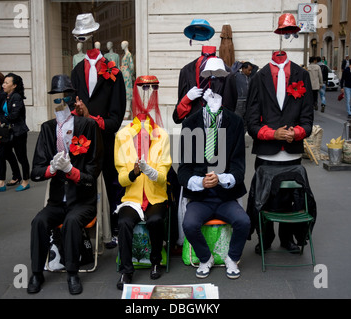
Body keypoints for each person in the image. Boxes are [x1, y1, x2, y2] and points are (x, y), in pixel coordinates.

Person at [28, 74, 103, 295]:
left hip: (81, 200)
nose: (59, 102)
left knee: (71, 221)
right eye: (55, 97)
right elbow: (36, 170)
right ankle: (36, 273)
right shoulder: (47, 128)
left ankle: (72, 273)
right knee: (39, 222)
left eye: (64, 97)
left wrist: (72, 171)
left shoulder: (88, 126)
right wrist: (52, 168)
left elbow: (95, 167)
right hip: (57, 201)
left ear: (72, 98)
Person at [178, 58, 251, 280]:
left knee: (244, 222)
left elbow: (239, 169)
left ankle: (232, 257)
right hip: (200, 198)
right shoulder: (190, 124)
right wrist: (200, 182)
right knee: (189, 224)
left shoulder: (236, 123)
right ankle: (205, 257)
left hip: (226, 197)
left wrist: (221, 178)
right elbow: (183, 170)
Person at [245, 45, 314, 255]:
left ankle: (288, 238)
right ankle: (264, 238)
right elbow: (251, 122)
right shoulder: (258, 77)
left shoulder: (302, 75)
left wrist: (297, 133)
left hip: (292, 152)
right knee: (264, 197)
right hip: (267, 152)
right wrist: (273, 134)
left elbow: (308, 120)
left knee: (292, 198)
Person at [70, 14, 126, 247]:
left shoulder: (114, 73)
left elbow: (116, 117)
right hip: (82, 141)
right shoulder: (76, 72)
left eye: (86, 36)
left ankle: (113, 227)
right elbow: (73, 106)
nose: (83, 40)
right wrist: (77, 114)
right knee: (83, 183)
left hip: (106, 140)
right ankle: (86, 227)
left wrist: (91, 118)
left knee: (113, 183)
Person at [114, 75, 172, 289]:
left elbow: (164, 173)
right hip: (132, 197)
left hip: (156, 194)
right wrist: (134, 173)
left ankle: (156, 261)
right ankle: (126, 271)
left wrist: (152, 172)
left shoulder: (162, 135)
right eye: (142, 90)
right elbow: (120, 177)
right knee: (124, 222)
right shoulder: (122, 136)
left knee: (155, 220)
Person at [0, 73, 30, 192]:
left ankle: (25, 181)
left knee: (21, 157)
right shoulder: (6, 96)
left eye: (7, 83)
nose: (4, 85)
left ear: (14, 85)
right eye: (4, 82)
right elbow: (3, 112)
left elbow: (14, 115)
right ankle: (0, 183)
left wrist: (1, 119)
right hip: (7, 131)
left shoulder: (16, 97)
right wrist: (0, 118)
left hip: (18, 132)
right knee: (1, 155)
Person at [233, 61, 258, 132]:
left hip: (247, 101)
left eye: (250, 70)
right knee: (238, 119)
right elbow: (232, 71)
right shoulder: (237, 75)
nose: (250, 72)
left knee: (246, 121)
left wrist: (249, 63)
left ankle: (242, 135)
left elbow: (256, 67)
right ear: (243, 68)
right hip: (239, 101)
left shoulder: (250, 76)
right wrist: (239, 64)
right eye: (248, 70)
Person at [120, 40, 135, 120]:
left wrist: (130, 73)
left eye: (122, 44)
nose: (121, 46)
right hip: (124, 74)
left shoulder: (128, 54)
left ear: (126, 45)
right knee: (125, 91)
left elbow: (132, 66)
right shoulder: (125, 54)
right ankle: (126, 110)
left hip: (127, 74)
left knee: (128, 91)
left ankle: (128, 110)